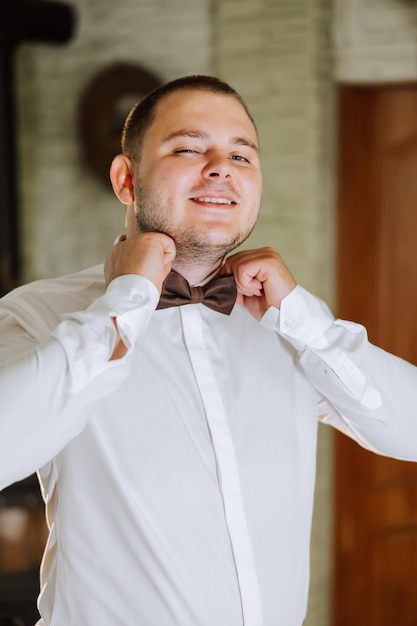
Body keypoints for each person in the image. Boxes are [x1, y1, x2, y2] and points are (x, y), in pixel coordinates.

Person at [1, 74, 417, 626]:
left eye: (242, 156)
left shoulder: (287, 326)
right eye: (189, 148)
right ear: (127, 179)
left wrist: (307, 323)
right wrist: (126, 305)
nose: (222, 166)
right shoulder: (35, 316)